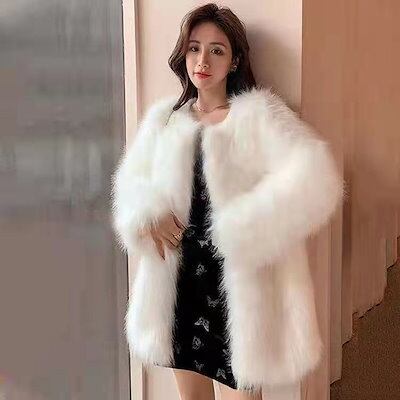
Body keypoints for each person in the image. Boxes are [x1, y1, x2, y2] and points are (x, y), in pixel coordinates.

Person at [111, 3, 344, 400]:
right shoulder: (164, 120)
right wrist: (148, 213)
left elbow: (316, 176)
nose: (203, 60)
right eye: (194, 48)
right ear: (183, 55)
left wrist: (247, 228)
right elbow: (130, 184)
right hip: (180, 283)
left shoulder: (259, 116)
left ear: (234, 60)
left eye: (216, 50)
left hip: (236, 286)